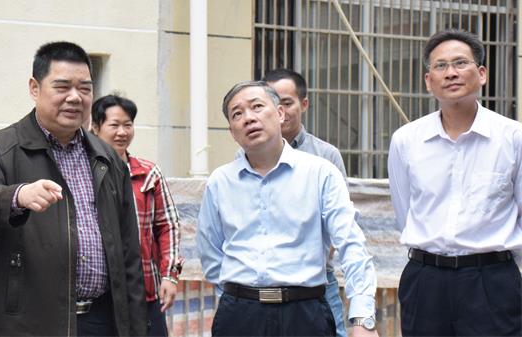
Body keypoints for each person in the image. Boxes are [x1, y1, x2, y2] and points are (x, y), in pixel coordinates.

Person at [0, 42, 146, 337]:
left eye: (84, 88)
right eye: (62, 87)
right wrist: (17, 196)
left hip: (101, 321)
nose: (75, 97)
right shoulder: (1, 147)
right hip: (31, 323)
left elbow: (129, 255)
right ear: (35, 88)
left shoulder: (107, 158)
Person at [197, 81, 378, 337]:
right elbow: (210, 250)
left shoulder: (320, 173)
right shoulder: (220, 181)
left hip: (304, 313)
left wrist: (362, 316)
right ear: (232, 132)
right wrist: (236, 296)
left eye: (257, 107)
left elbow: (351, 243)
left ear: (280, 113)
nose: (248, 118)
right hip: (240, 315)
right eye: (237, 114)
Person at [388, 29, 522, 336]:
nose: (451, 73)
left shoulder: (513, 138)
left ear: (482, 73)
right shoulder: (406, 140)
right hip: (425, 282)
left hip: (492, 282)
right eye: (440, 66)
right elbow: (404, 212)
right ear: (428, 81)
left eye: (461, 63)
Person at [263, 68, 349, 337]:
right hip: (264, 285)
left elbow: (340, 222)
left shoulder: (326, 156)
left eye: (287, 103)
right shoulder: (248, 156)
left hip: (318, 281)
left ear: (304, 104)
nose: (280, 111)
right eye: (271, 103)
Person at [91, 94, 183, 337]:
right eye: (114, 125)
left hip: (145, 290)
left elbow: (168, 225)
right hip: (101, 298)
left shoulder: (148, 173)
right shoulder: (85, 174)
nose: (122, 132)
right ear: (95, 128)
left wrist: (169, 276)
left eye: (128, 125)